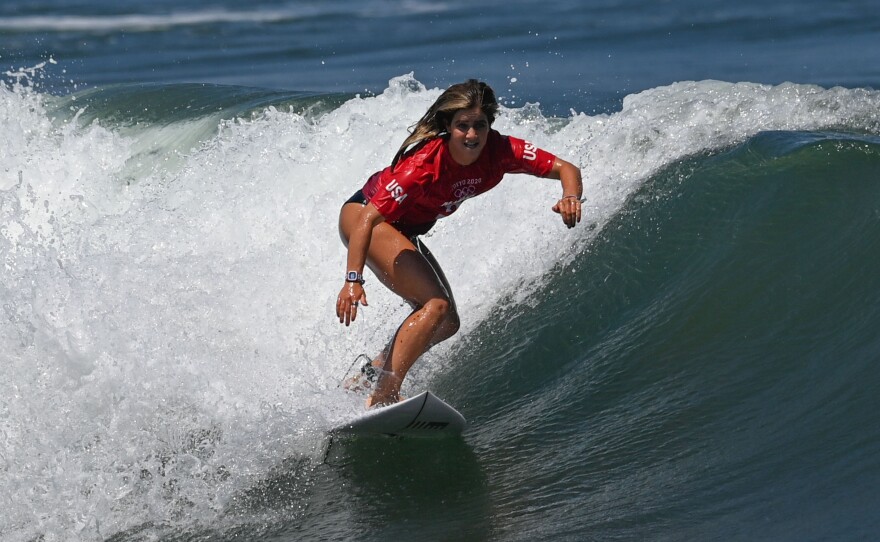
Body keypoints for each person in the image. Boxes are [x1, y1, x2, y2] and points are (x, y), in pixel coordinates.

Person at [336, 79, 583, 408]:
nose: (472, 135)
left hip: (401, 230)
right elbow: (367, 219)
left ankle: (370, 374)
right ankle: (383, 396)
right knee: (434, 305)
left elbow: (566, 168)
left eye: (479, 125)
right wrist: (353, 280)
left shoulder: (501, 151)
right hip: (363, 219)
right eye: (462, 126)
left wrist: (570, 196)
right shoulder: (423, 166)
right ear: (447, 127)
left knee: (447, 322)